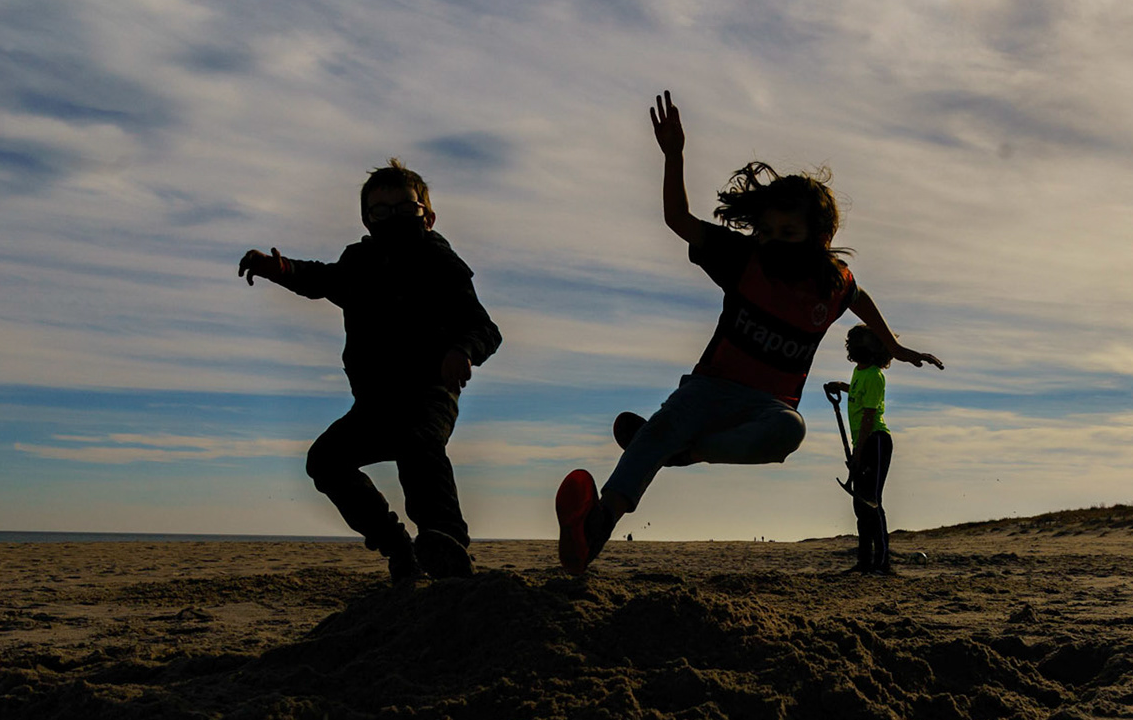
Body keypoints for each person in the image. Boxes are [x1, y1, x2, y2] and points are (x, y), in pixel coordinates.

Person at [555, 91, 942, 575]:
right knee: (654, 434)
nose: (776, 242)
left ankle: (689, 452)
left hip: (768, 409)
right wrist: (674, 156)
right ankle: (595, 527)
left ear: (819, 238)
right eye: (770, 231)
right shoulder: (746, 260)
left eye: (789, 233)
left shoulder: (830, 282)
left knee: (791, 431)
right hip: (708, 388)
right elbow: (678, 221)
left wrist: (895, 345)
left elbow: (859, 298)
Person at [239, 159, 501, 584]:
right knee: (325, 460)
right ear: (367, 219)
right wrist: (279, 268)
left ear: (427, 217)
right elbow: (320, 279)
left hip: (428, 393)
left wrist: (462, 349)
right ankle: (399, 549)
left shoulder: (441, 264)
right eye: (381, 211)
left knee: (420, 448)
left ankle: (447, 546)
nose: (393, 217)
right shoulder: (359, 264)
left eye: (405, 208)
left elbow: (484, 327)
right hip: (374, 404)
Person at [823, 324, 898, 574]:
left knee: (871, 502)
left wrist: (858, 453)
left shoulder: (875, 375)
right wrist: (841, 385)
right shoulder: (859, 372)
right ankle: (864, 562)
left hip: (875, 441)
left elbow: (868, 416)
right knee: (860, 505)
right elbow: (857, 391)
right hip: (864, 443)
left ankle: (882, 563)